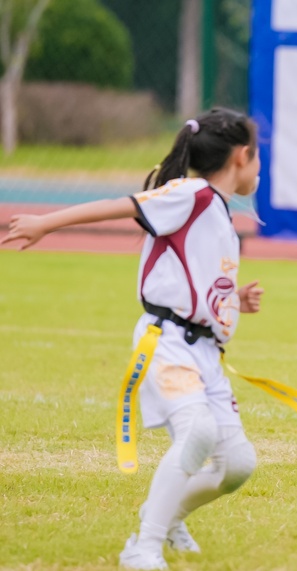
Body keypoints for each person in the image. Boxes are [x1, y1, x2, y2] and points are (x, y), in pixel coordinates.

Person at [2, 108, 264, 571]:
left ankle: (163, 514)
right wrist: (47, 223)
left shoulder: (217, 210)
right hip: (167, 343)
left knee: (237, 464)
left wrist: (233, 301)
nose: (260, 165)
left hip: (204, 351)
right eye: (258, 155)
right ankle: (142, 547)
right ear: (243, 156)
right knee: (198, 433)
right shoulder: (193, 193)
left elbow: (196, 280)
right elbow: (122, 205)